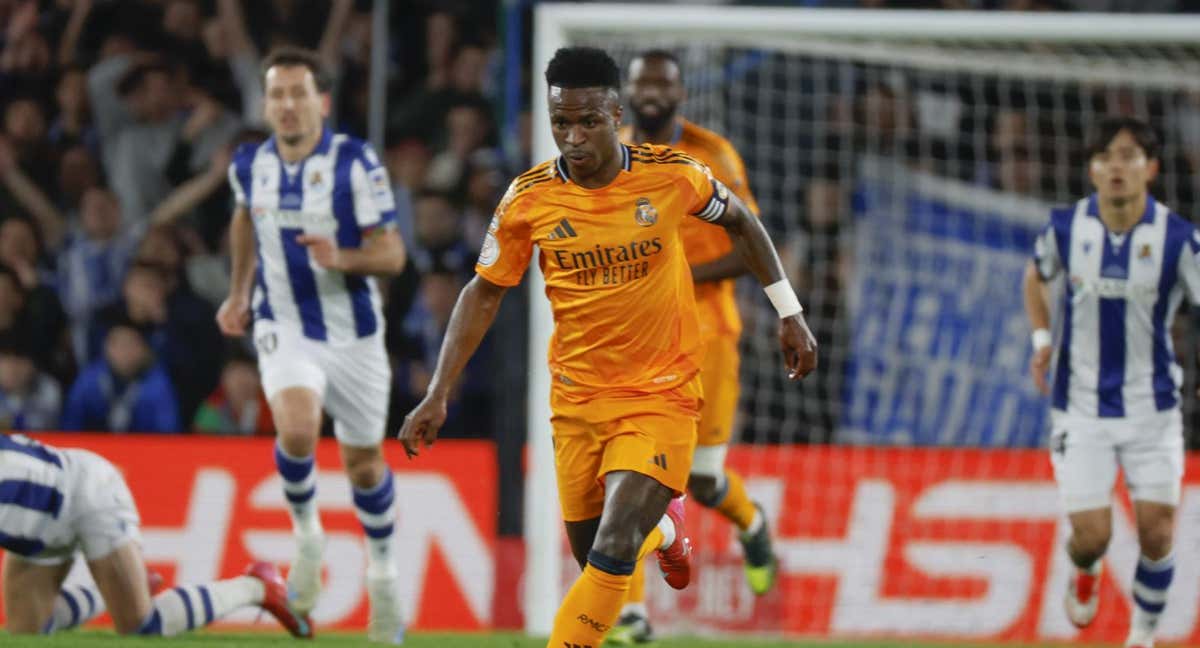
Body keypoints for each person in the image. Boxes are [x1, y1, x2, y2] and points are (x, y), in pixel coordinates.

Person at [399, 47, 817, 648]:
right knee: (595, 551)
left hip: (662, 390)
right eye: (560, 122)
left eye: (588, 121)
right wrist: (439, 391)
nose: (573, 137)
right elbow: (483, 291)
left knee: (615, 542)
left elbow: (745, 223)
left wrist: (789, 313)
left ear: (615, 114)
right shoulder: (528, 200)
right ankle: (668, 535)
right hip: (577, 403)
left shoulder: (674, 173)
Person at [216, 46, 407, 643]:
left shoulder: (355, 163)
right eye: (277, 95)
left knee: (364, 464)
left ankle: (383, 580)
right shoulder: (249, 165)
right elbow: (244, 218)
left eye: (299, 94)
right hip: (285, 324)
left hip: (354, 333)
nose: (288, 105)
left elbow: (394, 255)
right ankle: (307, 539)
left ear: (321, 101)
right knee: (296, 429)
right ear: (266, 103)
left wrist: (343, 257)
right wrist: (238, 291)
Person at [613, 49, 777, 644]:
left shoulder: (713, 155)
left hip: (709, 335)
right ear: (628, 92)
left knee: (703, 481)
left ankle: (752, 522)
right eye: (641, 82)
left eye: (662, 82)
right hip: (641, 343)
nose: (651, 91)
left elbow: (750, 246)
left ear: (681, 94)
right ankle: (631, 613)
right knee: (633, 473)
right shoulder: (613, 154)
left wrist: (675, 277)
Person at [1024, 116, 1195, 648]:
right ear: (1092, 170)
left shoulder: (1180, 240)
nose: (1117, 166)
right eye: (1107, 157)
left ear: (1152, 168)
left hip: (1154, 406)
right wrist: (1042, 340)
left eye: (1129, 155)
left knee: (1158, 531)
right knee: (1092, 535)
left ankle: (1141, 637)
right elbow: (1034, 277)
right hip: (1080, 406)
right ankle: (1085, 568)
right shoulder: (1065, 229)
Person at [0, 433, 310, 638]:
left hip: (87, 495)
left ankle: (257, 587)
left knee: (142, 627)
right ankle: (112, 590)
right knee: (27, 636)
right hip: (35, 533)